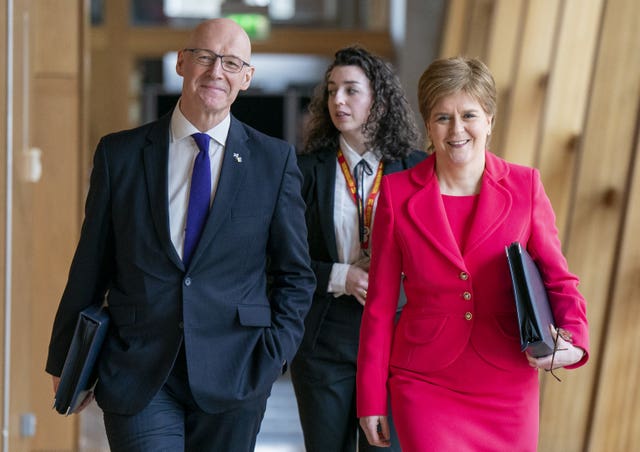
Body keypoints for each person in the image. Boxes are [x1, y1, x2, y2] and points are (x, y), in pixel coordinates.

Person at [46, 18, 315, 451]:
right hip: (138, 368)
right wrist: (66, 354)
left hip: (237, 371)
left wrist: (273, 354)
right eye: (205, 57)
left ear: (246, 78)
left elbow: (295, 275)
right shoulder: (121, 154)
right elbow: (91, 261)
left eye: (231, 63)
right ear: (181, 63)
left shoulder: (274, 161)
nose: (215, 72)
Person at [356, 56, 589, 451]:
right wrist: (370, 398)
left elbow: (557, 277)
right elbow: (378, 307)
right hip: (424, 382)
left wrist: (576, 341)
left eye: (469, 115)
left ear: (490, 121)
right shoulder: (396, 195)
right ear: (428, 125)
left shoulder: (525, 186)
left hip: (507, 384)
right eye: (442, 117)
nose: (457, 129)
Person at [290, 45, 425, 452]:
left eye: (351, 90)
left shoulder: (417, 169)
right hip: (323, 338)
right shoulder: (302, 170)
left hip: (397, 339)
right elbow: (281, 258)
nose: (338, 101)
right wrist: (341, 277)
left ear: (378, 101)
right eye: (331, 91)